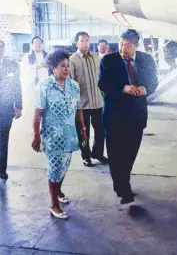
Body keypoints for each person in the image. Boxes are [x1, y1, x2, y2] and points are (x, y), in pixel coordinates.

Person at [98, 29, 158, 204]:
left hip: (137, 115)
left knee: (130, 152)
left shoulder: (146, 60)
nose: (123, 48)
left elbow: (153, 81)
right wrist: (123, 88)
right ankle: (124, 188)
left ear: (136, 46)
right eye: (121, 44)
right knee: (116, 154)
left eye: (128, 45)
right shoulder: (108, 60)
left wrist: (145, 89)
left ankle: (122, 181)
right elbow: (103, 83)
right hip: (115, 116)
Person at [31, 49, 87, 219]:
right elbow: (37, 114)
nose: (66, 69)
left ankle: (58, 190)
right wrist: (36, 135)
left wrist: (83, 130)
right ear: (53, 68)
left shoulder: (73, 86)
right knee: (55, 168)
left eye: (67, 65)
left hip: (70, 135)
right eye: (62, 66)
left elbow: (78, 110)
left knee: (64, 166)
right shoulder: (44, 87)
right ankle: (53, 203)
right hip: (52, 137)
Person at [69, 32, 108, 167]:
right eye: (82, 41)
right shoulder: (72, 60)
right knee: (84, 132)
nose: (85, 43)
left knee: (101, 130)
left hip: (97, 102)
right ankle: (86, 156)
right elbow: (71, 83)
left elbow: (102, 78)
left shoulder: (96, 58)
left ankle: (97, 153)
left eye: (87, 40)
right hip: (82, 104)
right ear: (77, 43)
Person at [0, 39, 22, 180]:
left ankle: (2, 169)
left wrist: (19, 105)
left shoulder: (11, 64)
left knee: (3, 139)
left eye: (1, 46)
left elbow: (17, 85)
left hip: (6, 107)